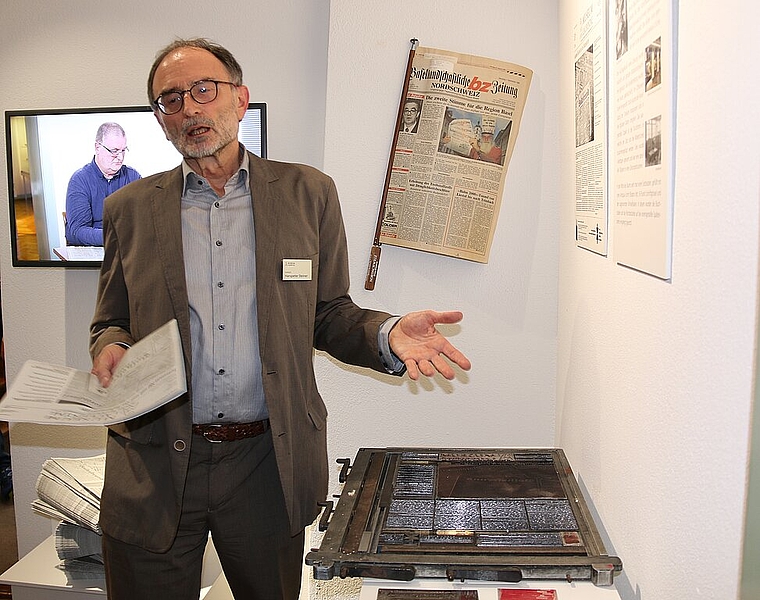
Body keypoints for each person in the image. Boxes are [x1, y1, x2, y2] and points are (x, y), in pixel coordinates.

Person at [89, 38, 471, 600]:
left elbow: (330, 314)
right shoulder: (129, 208)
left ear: (240, 100)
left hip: (266, 463)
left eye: (203, 90)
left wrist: (388, 332)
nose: (190, 109)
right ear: (160, 120)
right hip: (154, 461)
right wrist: (111, 344)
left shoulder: (307, 194)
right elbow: (110, 319)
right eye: (170, 100)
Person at [65, 122, 141, 246]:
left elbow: (143, 220)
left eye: (123, 150)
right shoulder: (79, 180)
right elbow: (77, 231)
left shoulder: (133, 177)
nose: (120, 157)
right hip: (95, 250)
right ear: (97, 147)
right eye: (114, 151)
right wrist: (115, 237)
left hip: (127, 250)